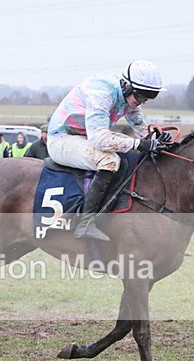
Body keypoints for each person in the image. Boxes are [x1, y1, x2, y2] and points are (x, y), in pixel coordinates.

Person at [47, 59, 170, 241]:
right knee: (110, 161)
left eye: (146, 98)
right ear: (127, 86)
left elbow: (140, 129)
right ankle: (84, 224)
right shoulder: (102, 92)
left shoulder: (130, 97)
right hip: (62, 139)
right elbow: (99, 139)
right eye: (140, 97)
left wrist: (155, 140)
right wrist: (140, 144)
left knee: (130, 149)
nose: (140, 102)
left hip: (83, 137)